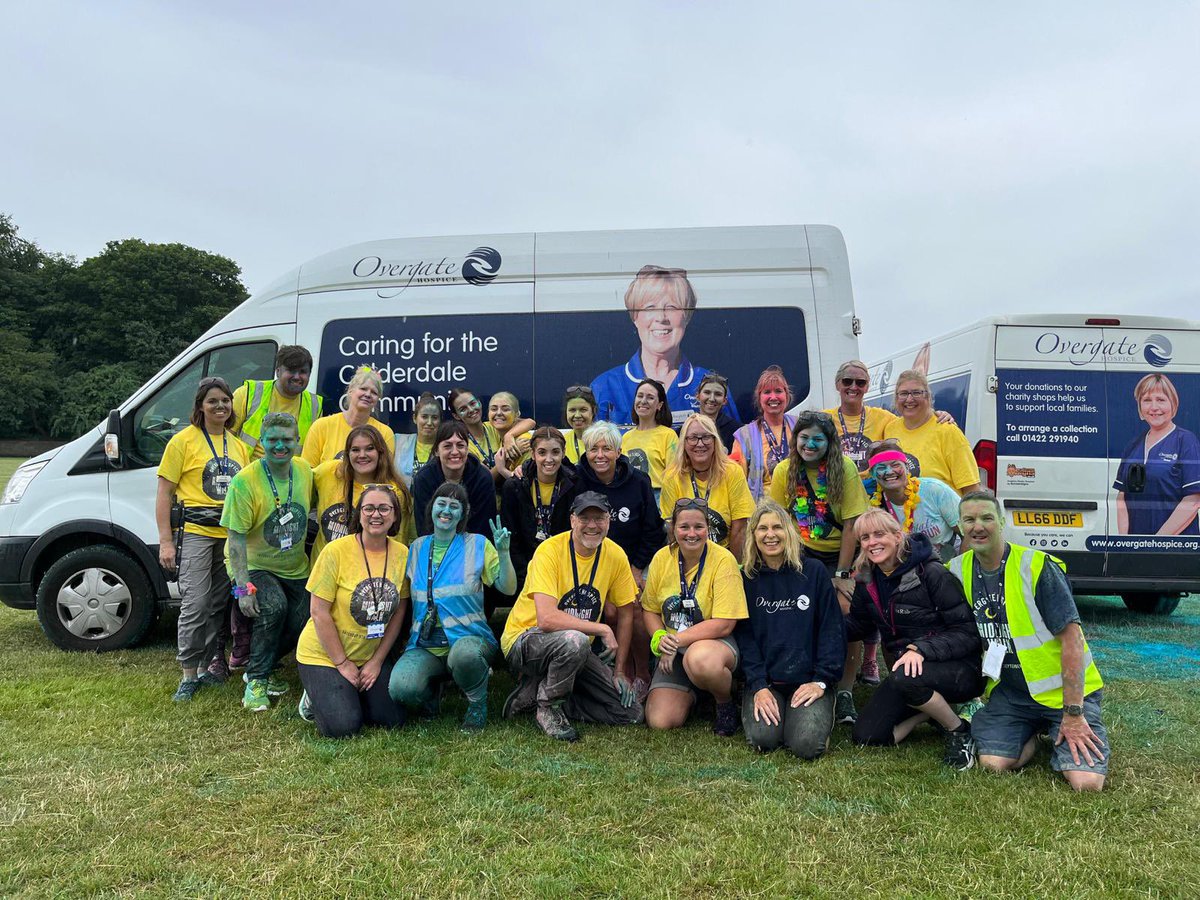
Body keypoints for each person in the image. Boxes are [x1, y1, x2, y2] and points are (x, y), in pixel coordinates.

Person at [949, 492, 1109, 791]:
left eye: (986, 518)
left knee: (1086, 784)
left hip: (1063, 695)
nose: (978, 526)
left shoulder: (1036, 566)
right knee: (993, 765)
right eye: (969, 520)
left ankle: (1060, 725)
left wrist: (1073, 714)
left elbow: (1072, 641)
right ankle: (1032, 732)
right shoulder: (956, 570)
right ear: (959, 526)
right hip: (1012, 694)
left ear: (1002, 521)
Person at [846, 508, 984, 770]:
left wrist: (920, 649)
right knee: (867, 736)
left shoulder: (931, 573)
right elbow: (857, 626)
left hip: (960, 669)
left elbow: (968, 632)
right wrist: (816, 628)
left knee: (904, 677)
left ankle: (958, 730)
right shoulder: (867, 581)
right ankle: (926, 713)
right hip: (907, 673)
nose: (872, 542)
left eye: (879, 534)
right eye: (864, 538)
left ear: (898, 536)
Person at [500, 492, 643, 741]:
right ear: (572, 520)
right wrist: (601, 629)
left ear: (609, 520)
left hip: (574, 649)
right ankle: (549, 708)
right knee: (575, 640)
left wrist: (620, 670)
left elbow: (627, 612)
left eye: (599, 518)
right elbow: (545, 619)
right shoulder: (549, 551)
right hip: (525, 639)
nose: (592, 525)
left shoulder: (615, 555)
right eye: (584, 517)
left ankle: (537, 693)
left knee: (630, 713)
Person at [389, 483, 518, 732]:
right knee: (401, 689)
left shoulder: (478, 544)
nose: (446, 511)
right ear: (431, 508)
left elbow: (508, 588)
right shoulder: (416, 548)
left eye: (454, 506)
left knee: (465, 656)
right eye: (441, 504)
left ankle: (477, 703)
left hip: (470, 639)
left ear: (462, 514)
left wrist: (503, 552)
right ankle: (431, 694)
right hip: (425, 644)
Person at [769, 410, 870, 716]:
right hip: (802, 551)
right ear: (795, 438)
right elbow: (778, 517)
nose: (809, 444)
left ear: (830, 443)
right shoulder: (784, 470)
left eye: (817, 439)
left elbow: (853, 523)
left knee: (845, 613)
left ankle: (845, 691)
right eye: (804, 437)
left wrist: (842, 574)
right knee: (799, 609)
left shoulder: (845, 469)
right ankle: (802, 674)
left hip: (842, 552)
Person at [157, 376, 252, 701]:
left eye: (225, 400)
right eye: (213, 401)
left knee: (216, 605)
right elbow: (164, 494)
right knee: (194, 603)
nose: (221, 406)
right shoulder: (183, 441)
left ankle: (206, 668)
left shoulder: (238, 445)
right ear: (200, 406)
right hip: (196, 533)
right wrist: (166, 541)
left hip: (228, 538)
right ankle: (187, 673)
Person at [295, 485, 409, 738]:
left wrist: (377, 661)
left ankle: (347, 694)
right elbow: (319, 612)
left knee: (392, 718)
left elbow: (400, 610)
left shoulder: (402, 554)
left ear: (394, 516)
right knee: (343, 726)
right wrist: (342, 663)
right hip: (324, 654)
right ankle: (314, 696)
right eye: (368, 508)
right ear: (358, 514)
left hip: (368, 655)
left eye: (383, 508)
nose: (375, 515)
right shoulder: (336, 551)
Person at [221, 412, 315, 712]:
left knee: (305, 618)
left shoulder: (304, 470)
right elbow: (235, 540)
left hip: (295, 566)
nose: (279, 446)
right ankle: (257, 681)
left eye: (286, 440)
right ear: (261, 442)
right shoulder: (244, 482)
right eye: (272, 439)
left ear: (297, 442)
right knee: (273, 607)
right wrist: (242, 588)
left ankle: (263, 664)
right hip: (254, 565)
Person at [737, 500, 846, 760]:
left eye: (777, 527)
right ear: (753, 535)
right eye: (762, 529)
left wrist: (821, 680)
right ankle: (776, 714)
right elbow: (745, 637)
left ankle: (814, 713)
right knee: (763, 739)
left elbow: (832, 629)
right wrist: (759, 685)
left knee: (806, 746)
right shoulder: (747, 578)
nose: (770, 535)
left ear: (790, 532)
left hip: (810, 679)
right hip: (768, 682)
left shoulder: (814, 572)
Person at [641, 498, 748, 735]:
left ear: (708, 529)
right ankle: (698, 695)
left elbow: (724, 624)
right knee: (660, 720)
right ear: (673, 528)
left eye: (699, 527)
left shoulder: (723, 559)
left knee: (700, 661)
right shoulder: (661, 558)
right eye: (684, 527)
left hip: (712, 646)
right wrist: (660, 637)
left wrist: (675, 641)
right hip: (673, 648)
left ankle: (724, 702)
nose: (692, 533)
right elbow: (649, 609)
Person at [590, 264, 739, 428]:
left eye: (672, 307)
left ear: (686, 317)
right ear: (635, 316)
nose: (661, 317)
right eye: (650, 307)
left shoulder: (709, 385)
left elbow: (732, 440)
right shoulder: (604, 386)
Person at [575, 420, 664, 692]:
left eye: (607, 448)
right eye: (593, 449)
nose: (600, 455)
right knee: (611, 610)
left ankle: (641, 672)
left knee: (635, 606)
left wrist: (636, 569)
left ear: (619, 451)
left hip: (634, 561)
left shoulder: (638, 481)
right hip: (594, 564)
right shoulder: (576, 479)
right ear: (585, 452)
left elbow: (653, 530)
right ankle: (616, 668)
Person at [825, 359, 954, 473]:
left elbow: (913, 421)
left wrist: (936, 414)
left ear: (867, 387)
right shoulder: (824, 419)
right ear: (837, 385)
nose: (853, 387)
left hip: (875, 493)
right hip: (835, 490)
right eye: (847, 381)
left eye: (860, 383)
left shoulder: (885, 418)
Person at [310, 425, 414, 563]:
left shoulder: (394, 493)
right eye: (355, 450)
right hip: (324, 572)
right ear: (347, 454)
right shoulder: (327, 473)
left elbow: (396, 545)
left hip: (365, 575)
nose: (362, 455)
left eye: (370, 449)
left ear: (380, 452)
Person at [658, 413, 754, 559]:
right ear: (684, 442)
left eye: (706, 437)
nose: (700, 443)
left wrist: (734, 567)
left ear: (715, 441)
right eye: (693, 438)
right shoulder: (672, 477)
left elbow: (739, 528)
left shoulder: (732, 471)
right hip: (688, 557)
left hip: (725, 554)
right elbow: (672, 528)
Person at [1114, 373, 1200, 535]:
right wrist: (1124, 543)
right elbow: (1122, 498)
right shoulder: (1133, 445)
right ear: (1140, 406)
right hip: (1136, 550)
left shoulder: (1186, 441)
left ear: (1173, 404)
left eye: (1160, 400)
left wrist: (1158, 542)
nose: (1153, 407)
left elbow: (1193, 501)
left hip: (1175, 551)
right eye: (1147, 400)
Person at [500, 427, 581, 587]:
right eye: (542, 452)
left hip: (563, 566)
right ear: (533, 454)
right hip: (526, 567)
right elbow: (511, 537)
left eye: (555, 452)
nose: (549, 459)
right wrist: (525, 575)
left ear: (564, 453)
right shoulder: (515, 486)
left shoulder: (575, 484)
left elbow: (575, 534)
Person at [882, 370, 980, 495]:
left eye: (916, 393)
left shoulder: (947, 431)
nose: (909, 399)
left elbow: (971, 488)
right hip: (901, 513)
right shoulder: (890, 429)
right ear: (896, 398)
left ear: (928, 397)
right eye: (903, 393)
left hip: (944, 513)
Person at [866, 441, 961, 560]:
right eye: (881, 468)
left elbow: (967, 532)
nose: (889, 472)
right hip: (911, 569)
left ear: (907, 468)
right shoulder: (876, 507)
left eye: (895, 465)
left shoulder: (934, 489)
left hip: (952, 559)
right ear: (872, 474)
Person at [231, 345, 323, 459]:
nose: (297, 377)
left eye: (303, 372)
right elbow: (224, 438)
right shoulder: (248, 393)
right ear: (278, 371)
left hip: (290, 474)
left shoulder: (315, 406)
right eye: (291, 370)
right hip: (247, 472)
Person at [412, 421, 497, 539]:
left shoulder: (482, 478)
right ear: (437, 451)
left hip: (473, 547)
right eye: (447, 446)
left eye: (460, 445)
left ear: (467, 449)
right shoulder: (424, 479)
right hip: (436, 547)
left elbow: (483, 529)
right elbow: (425, 527)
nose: (455, 452)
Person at [301, 366, 395, 467]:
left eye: (374, 392)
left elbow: (385, 475)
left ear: (377, 399)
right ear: (350, 391)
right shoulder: (321, 426)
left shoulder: (384, 433)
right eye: (363, 389)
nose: (368, 394)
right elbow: (307, 471)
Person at [731, 366, 797, 501]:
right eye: (767, 392)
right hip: (763, 512)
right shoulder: (744, 436)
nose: (773, 397)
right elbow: (736, 480)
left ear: (786, 395)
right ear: (759, 398)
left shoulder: (800, 426)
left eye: (778, 391)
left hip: (800, 508)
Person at [448, 387, 535, 484]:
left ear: (479, 403)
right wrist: (508, 455)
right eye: (463, 409)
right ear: (456, 416)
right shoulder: (463, 445)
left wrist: (509, 436)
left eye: (473, 403)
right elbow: (484, 480)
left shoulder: (495, 425)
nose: (471, 410)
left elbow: (530, 422)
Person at [620, 378, 677, 494]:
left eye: (650, 397)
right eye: (640, 396)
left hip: (658, 499)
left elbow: (674, 477)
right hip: (631, 497)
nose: (643, 401)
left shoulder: (669, 435)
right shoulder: (626, 437)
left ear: (659, 405)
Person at [394, 392, 442, 489]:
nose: (429, 422)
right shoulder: (398, 442)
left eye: (435, 418)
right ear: (414, 418)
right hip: (402, 502)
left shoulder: (446, 447)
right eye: (424, 417)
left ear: (440, 420)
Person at [491, 391, 537, 480]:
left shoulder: (523, 441)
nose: (499, 413)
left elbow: (525, 482)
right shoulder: (491, 428)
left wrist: (502, 469)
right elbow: (530, 422)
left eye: (505, 409)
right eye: (493, 409)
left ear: (517, 415)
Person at [697, 371, 738, 452]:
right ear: (698, 396)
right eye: (707, 392)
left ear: (724, 401)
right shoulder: (684, 430)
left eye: (718, 394)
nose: (712, 399)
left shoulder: (737, 432)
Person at [560, 384, 598, 465]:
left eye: (583, 410)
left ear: (593, 411)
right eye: (572, 410)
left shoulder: (606, 440)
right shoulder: (561, 442)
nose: (577, 415)